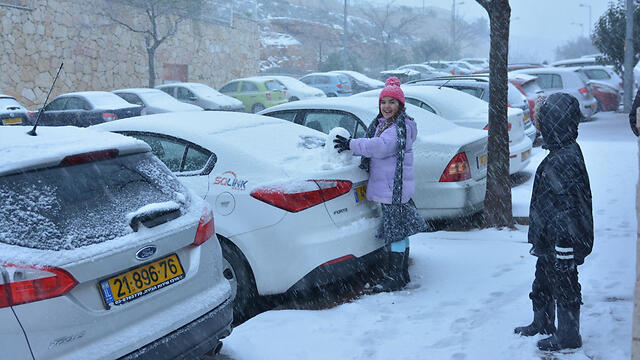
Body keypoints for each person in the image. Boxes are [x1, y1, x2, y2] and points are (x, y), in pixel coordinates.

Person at [514, 92, 594, 351]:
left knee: (565, 281)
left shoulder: (565, 158)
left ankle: (569, 334)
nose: (538, 126)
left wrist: (563, 242)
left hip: (563, 238)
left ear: (553, 123)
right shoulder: (560, 152)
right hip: (551, 234)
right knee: (544, 276)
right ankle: (543, 320)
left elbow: (568, 205)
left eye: (542, 120)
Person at [333, 77, 428, 292]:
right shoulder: (392, 124)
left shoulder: (398, 128)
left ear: (400, 106)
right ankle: (401, 274)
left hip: (392, 189)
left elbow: (381, 147)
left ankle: (395, 277)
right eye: (383, 102)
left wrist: (351, 144)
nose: (387, 106)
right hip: (394, 187)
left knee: (395, 231)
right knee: (399, 231)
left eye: (392, 102)